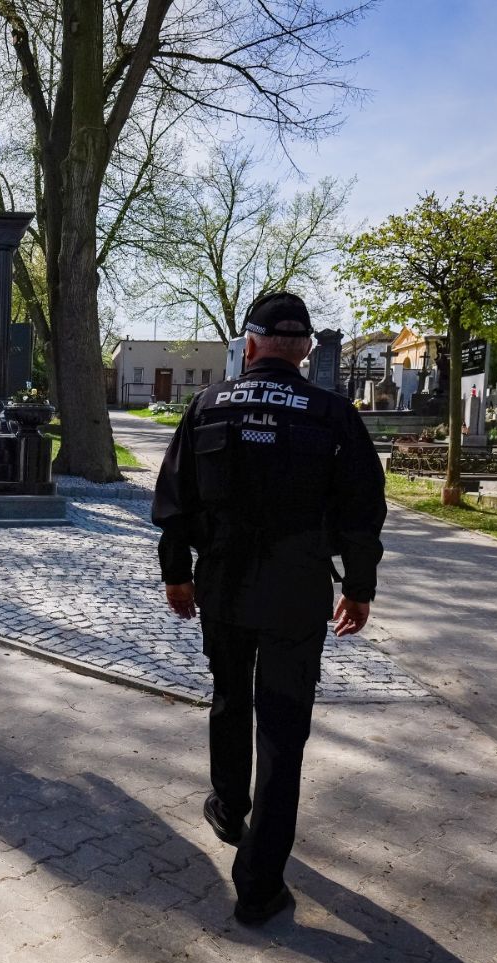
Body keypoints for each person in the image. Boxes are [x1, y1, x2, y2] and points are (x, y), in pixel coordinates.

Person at [151, 291, 386, 926]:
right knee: (283, 730)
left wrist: (178, 576)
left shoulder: (207, 405)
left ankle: (229, 808)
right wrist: (358, 586)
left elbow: (175, 500)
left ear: (249, 346)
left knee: (230, 697)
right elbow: (363, 510)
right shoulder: (332, 413)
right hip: (296, 593)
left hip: (223, 586)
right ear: (305, 349)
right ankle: (258, 885)